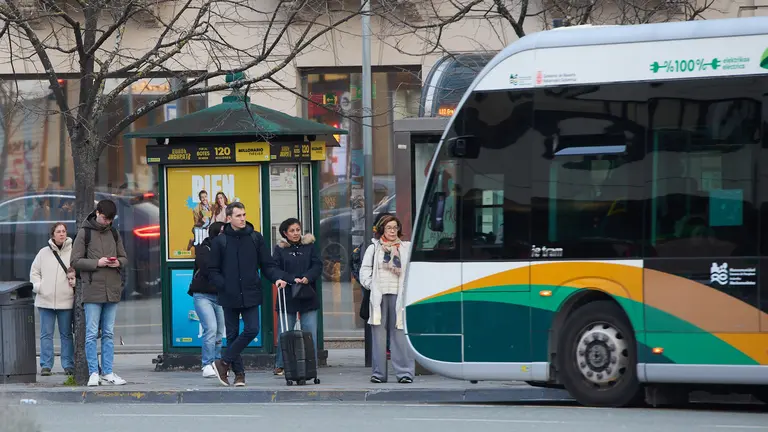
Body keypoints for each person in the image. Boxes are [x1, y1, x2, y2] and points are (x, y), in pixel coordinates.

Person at [209, 202, 288, 387]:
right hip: (229, 295)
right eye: (238, 215)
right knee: (233, 334)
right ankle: (239, 375)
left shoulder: (255, 238)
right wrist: (224, 285)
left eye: (244, 214)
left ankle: (224, 362)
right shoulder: (220, 241)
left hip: (251, 292)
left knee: (252, 329)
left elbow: (267, 265)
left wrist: (276, 278)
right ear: (229, 219)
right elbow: (212, 270)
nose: (243, 218)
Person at [71, 199, 128, 387]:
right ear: (97, 213)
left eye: (110, 220)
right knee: (91, 334)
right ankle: (94, 372)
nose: (107, 222)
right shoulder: (84, 232)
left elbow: (124, 258)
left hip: (111, 288)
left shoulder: (113, 232)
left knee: (109, 333)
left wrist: (118, 262)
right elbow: (75, 261)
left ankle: (108, 372)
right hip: (92, 288)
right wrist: (98, 263)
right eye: (105, 218)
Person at [359, 214, 415, 384]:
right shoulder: (374, 248)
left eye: (395, 227)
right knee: (378, 338)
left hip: (399, 296)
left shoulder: (406, 248)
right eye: (389, 227)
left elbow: (413, 269)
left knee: (400, 337)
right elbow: (364, 270)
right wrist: (370, 284)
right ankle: (378, 374)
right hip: (379, 297)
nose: (392, 231)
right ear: (382, 229)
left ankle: (405, 373)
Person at [272, 218, 322, 376]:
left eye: (298, 230)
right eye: (292, 231)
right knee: (285, 331)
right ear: (285, 233)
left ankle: (311, 364)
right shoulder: (280, 249)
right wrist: (290, 278)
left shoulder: (310, 246)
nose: (296, 233)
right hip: (288, 295)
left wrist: (307, 277)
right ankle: (281, 364)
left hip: (308, 294)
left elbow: (317, 265)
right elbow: (275, 268)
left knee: (310, 332)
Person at [29, 222, 76, 376]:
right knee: (46, 334)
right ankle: (46, 365)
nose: (62, 234)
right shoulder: (43, 253)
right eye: (58, 231)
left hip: (66, 300)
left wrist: (74, 281)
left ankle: (68, 365)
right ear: (53, 235)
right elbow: (34, 272)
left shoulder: (74, 252)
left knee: (66, 334)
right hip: (45, 300)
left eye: (64, 231)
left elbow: (79, 272)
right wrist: (39, 287)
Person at [188, 221, 226, 378]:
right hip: (203, 294)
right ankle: (207, 364)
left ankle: (217, 363)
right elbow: (207, 268)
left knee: (218, 332)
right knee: (210, 328)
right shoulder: (204, 248)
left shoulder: (228, 249)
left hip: (221, 296)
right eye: (223, 232)